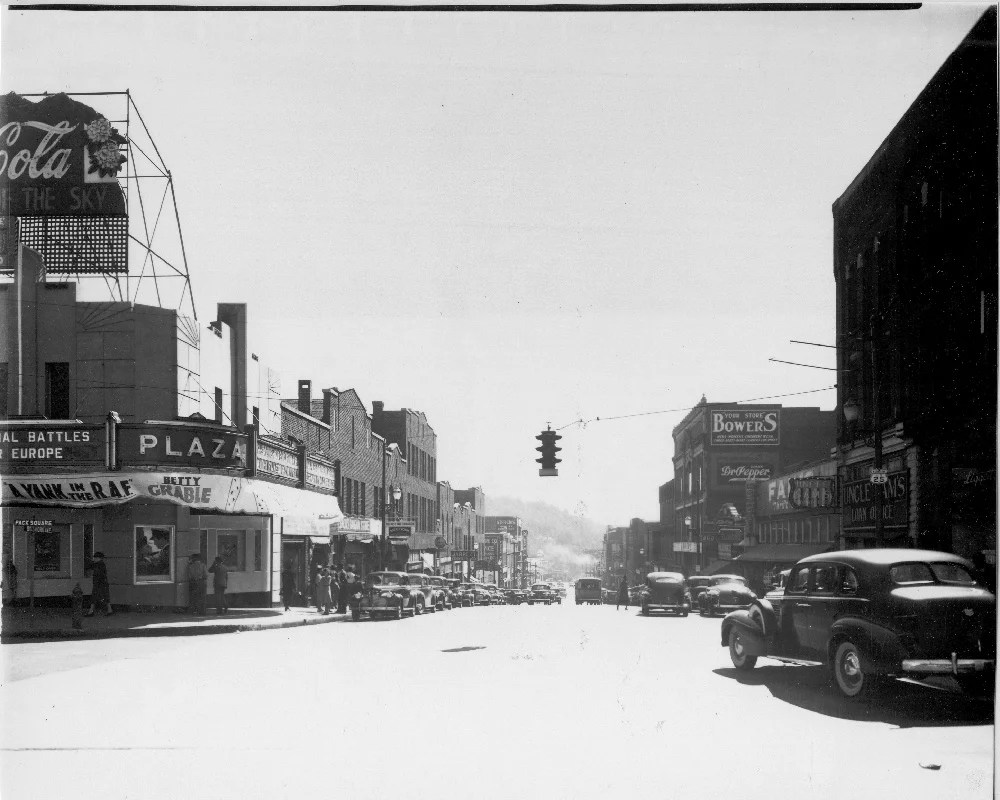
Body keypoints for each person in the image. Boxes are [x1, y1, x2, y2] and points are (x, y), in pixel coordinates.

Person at [85, 551, 113, 616]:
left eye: (95, 558)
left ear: (98, 558)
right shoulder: (101, 564)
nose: (94, 559)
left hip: (99, 583)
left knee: (94, 597)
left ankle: (91, 611)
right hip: (103, 583)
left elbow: (90, 567)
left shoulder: (98, 564)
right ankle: (109, 610)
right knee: (105, 597)